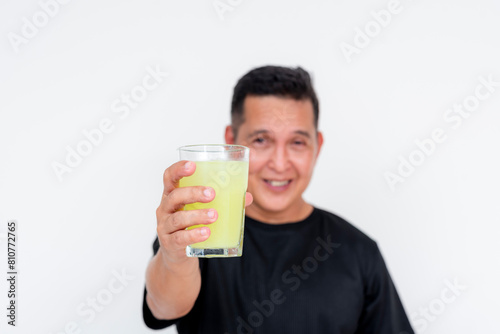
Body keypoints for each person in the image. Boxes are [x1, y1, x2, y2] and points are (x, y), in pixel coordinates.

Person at [143, 65, 414, 333]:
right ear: (231, 143)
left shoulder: (359, 251)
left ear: (317, 147)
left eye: (297, 142)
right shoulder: (198, 232)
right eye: (261, 140)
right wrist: (175, 257)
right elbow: (163, 308)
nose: (280, 163)